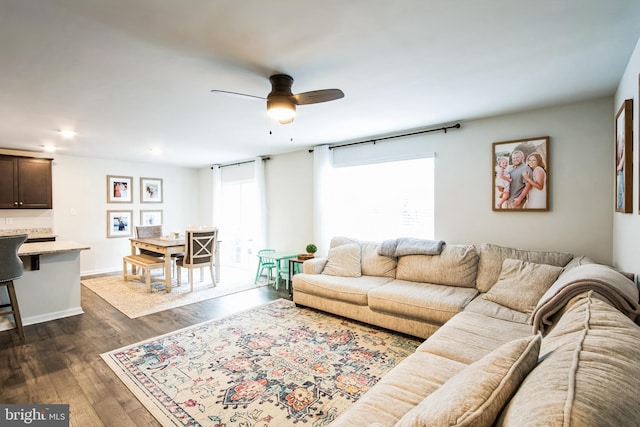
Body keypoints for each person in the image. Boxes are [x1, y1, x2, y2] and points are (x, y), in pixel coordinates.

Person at [617, 127, 625, 210]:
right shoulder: (619, 136)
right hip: (620, 168)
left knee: (621, 192)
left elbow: (626, 150)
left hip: (621, 168)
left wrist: (620, 165)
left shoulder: (622, 136)